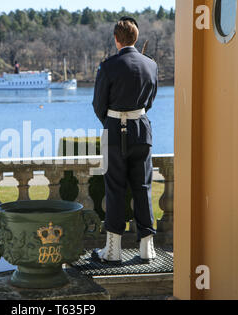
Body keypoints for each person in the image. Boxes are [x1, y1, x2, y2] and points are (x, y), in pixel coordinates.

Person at [92, 17, 158, 263]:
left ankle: (113, 250)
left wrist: (111, 122)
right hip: (141, 131)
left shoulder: (108, 66)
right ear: (136, 38)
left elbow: (99, 104)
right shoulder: (150, 65)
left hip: (114, 132)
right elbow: (149, 102)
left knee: (115, 189)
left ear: (116, 39)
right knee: (143, 187)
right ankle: (146, 247)